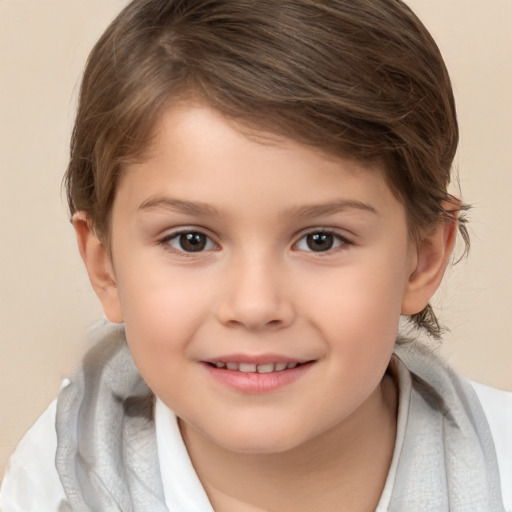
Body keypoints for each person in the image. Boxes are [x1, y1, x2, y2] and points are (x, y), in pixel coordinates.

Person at [0, 0, 509, 510]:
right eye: (190, 240)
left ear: (420, 259)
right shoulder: (51, 483)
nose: (255, 305)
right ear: (104, 266)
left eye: (321, 240)